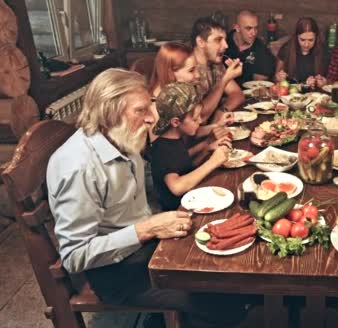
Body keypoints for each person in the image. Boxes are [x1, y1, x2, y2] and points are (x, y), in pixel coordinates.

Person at [46, 68, 252, 327]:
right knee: (216, 298)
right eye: (141, 110)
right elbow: (75, 255)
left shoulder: (121, 136)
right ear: (110, 112)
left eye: (150, 107)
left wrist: (154, 226)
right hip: (117, 273)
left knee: (225, 265)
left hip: (145, 246)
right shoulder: (78, 167)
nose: (152, 118)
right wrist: (147, 229)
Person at [150, 82, 231, 211]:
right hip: (179, 210)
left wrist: (206, 148)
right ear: (176, 122)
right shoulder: (162, 150)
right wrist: (213, 162)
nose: (200, 121)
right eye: (195, 119)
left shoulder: (175, 138)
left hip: (192, 198)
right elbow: (177, 187)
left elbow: (183, 165)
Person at [149, 42, 233, 143]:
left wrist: (217, 126)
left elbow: (187, 134)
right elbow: (169, 156)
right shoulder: (155, 111)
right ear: (171, 73)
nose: (198, 75)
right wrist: (206, 146)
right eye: (191, 70)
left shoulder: (180, 96)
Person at [191, 17, 245, 119]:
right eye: (218, 40)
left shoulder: (216, 64)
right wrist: (225, 80)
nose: (226, 45)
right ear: (200, 42)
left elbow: (237, 94)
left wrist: (222, 111)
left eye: (225, 40)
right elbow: (198, 117)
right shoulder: (187, 70)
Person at [225, 10, 275, 85]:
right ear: (237, 27)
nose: (254, 33)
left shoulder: (261, 49)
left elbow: (260, 82)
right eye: (248, 28)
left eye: (256, 28)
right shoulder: (224, 42)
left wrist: (239, 73)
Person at [274, 17, 327, 84]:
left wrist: (322, 81)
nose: (306, 44)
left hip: (314, 93)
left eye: (311, 40)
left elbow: (328, 81)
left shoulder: (322, 51)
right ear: (296, 37)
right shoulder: (286, 49)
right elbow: (275, 79)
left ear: (316, 38)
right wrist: (279, 78)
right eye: (302, 40)